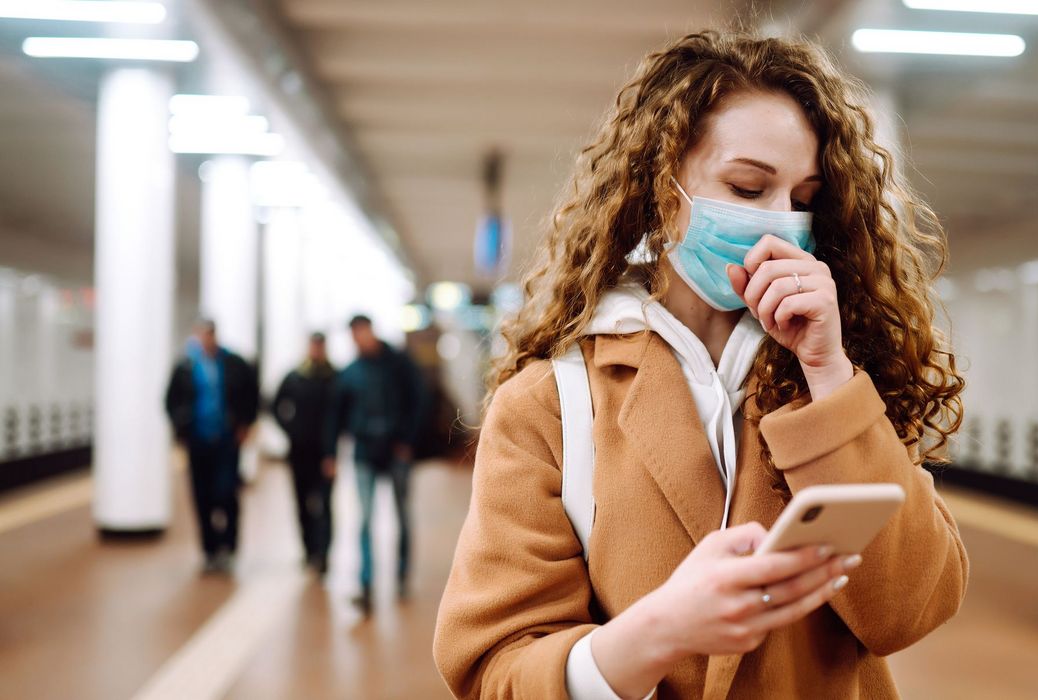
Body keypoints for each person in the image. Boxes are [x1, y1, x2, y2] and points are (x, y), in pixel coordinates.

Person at [434, 30, 968, 699]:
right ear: (663, 192)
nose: (780, 224)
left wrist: (829, 372)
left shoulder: (841, 378)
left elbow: (910, 607)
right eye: (747, 187)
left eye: (803, 200)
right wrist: (659, 630)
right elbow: (495, 670)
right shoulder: (553, 401)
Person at [324, 315, 429, 613]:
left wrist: (408, 441)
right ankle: (366, 584)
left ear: (370, 331)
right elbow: (336, 416)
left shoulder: (399, 364)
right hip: (364, 454)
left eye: (362, 333)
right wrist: (330, 454)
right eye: (354, 335)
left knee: (402, 516)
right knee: (365, 519)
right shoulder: (350, 373)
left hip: (397, 453)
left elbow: (419, 401)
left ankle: (402, 575)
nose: (360, 339)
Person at [165, 319, 259, 575]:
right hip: (198, 441)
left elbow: (253, 394)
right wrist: (180, 430)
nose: (204, 339)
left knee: (226, 493)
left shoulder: (234, 363)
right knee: (202, 496)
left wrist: (246, 424)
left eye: (208, 334)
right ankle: (209, 550)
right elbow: (170, 400)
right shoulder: (185, 366)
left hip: (227, 440)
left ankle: (228, 547)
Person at [273, 332, 337, 576]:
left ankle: (322, 553)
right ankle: (309, 550)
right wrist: (291, 430)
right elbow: (275, 405)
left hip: (326, 454)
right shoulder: (295, 377)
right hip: (299, 453)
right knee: (302, 502)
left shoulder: (334, 377)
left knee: (324, 504)